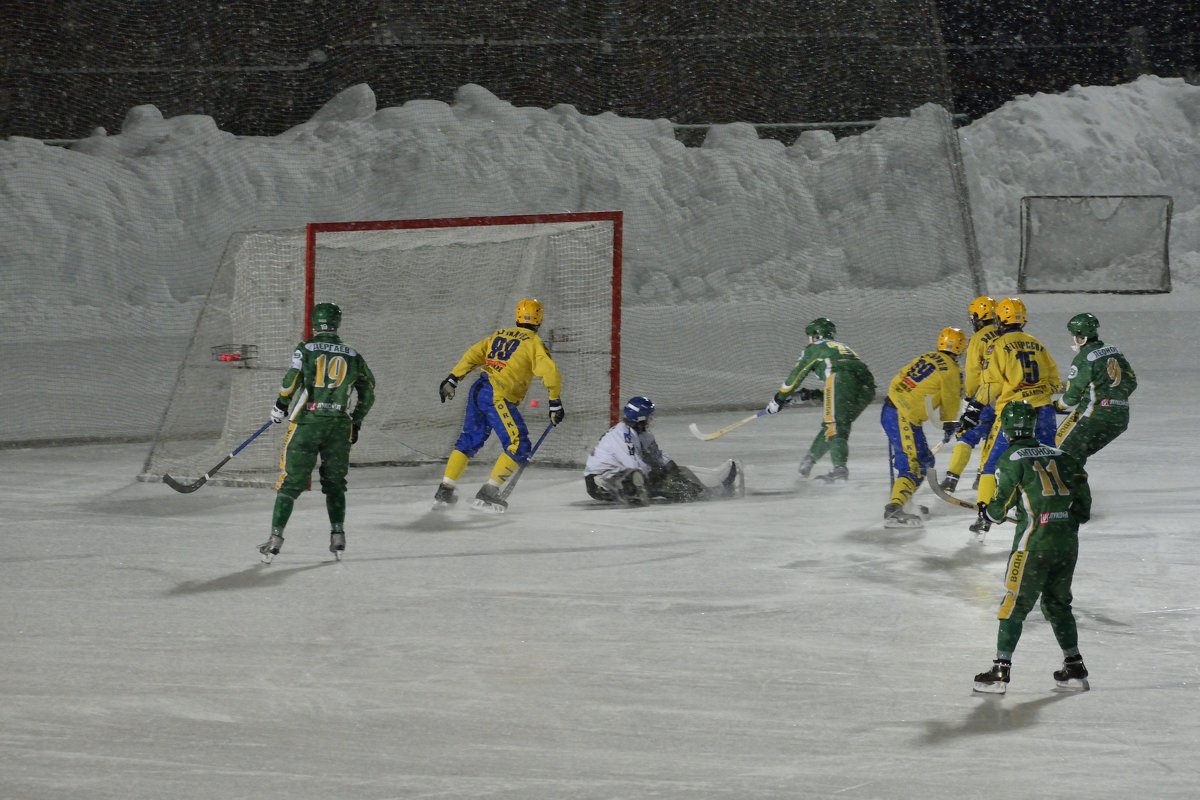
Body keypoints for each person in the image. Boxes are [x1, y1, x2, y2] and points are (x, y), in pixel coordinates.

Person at [971, 401, 1092, 695]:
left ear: (1007, 429)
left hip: (1033, 545)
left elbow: (999, 509)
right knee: (1058, 604)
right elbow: (1083, 506)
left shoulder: (1010, 459)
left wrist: (988, 512)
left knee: (1014, 604)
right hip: (1066, 544)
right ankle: (1074, 666)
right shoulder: (1061, 455)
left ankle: (1001, 670)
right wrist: (1061, 520)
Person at [258, 302, 376, 564]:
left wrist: (280, 406)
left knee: (290, 485)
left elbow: (292, 380)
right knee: (335, 484)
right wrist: (355, 421)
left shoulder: (306, 348)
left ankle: (275, 540)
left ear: (314, 322)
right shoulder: (353, 354)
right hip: (338, 426)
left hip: (308, 423)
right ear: (337, 323)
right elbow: (369, 391)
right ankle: (338, 536)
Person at [433, 298, 564, 512]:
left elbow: (474, 353)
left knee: (468, 440)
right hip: (497, 395)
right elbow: (550, 372)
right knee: (519, 445)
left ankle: (445, 491)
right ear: (539, 319)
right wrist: (555, 402)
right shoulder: (533, 342)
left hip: (479, 389)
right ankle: (487, 494)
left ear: (518, 316)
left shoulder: (499, 334)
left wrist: (453, 378)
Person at [958, 297, 1061, 535]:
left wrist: (973, 408)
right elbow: (1055, 381)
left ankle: (984, 515)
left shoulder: (1000, 345)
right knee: (1046, 460)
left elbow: (991, 384)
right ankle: (1053, 509)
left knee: (990, 464)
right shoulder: (1037, 343)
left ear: (1000, 319)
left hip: (1014, 414)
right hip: (1043, 411)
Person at [764, 317, 876, 483]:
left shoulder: (815, 348)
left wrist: (779, 399)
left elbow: (795, 376)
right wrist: (811, 395)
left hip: (840, 379)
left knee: (835, 426)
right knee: (838, 423)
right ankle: (810, 459)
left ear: (815, 336)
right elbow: (844, 392)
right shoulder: (843, 347)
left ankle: (839, 470)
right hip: (867, 387)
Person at [584, 395, 742, 504]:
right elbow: (633, 464)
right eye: (649, 416)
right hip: (600, 481)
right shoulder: (621, 435)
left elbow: (657, 456)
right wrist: (659, 473)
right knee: (653, 479)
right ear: (641, 418)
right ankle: (633, 491)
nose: (651, 419)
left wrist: (669, 465)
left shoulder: (643, 435)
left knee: (677, 472)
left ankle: (719, 477)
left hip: (626, 474)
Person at [881, 327, 966, 527]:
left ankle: (904, 499)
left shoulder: (927, 356)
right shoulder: (951, 371)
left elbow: (899, 377)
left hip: (894, 409)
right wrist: (949, 424)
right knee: (914, 465)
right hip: (902, 415)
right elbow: (951, 402)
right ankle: (894, 509)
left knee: (926, 460)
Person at [1054, 312, 1137, 466]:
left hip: (1093, 417)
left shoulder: (1084, 358)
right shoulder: (1115, 350)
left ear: (1080, 336)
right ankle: (1076, 485)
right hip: (1119, 419)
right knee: (1077, 455)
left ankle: (1067, 487)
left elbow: (1071, 397)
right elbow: (1131, 382)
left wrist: (1056, 406)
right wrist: (1113, 397)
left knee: (1060, 451)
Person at [941, 296, 1002, 493]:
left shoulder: (978, 339)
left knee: (967, 434)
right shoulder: (1006, 334)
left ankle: (952, 478)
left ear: (979, 316)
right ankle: (982, 476)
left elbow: (973, 371)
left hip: (986, 394)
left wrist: (971, 397)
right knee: (992, 436)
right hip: (1007, 396)